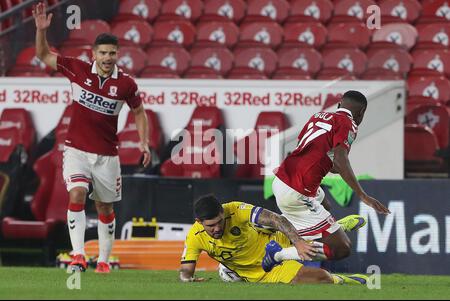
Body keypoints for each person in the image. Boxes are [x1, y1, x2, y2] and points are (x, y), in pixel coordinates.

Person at [33, 2, 151, 273]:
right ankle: (77, 255)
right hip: (76, 151)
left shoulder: (126, 84)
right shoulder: (77, 69)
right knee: (76, 194)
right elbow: (43, 55)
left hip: (107, 155)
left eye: (112, 53)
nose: (108, 57)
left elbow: (139, 112)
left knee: (104, 206)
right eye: (103, 53)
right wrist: (41, 31)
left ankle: (104, 261)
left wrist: (144, 142)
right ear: (94, 54)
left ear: (117, 54)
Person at [265, 90, 390, 271]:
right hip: (298, 191)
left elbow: (309, 150)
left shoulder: (318, 116)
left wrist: (335, 167)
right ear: (361, 113)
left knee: (326, 205)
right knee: (341, 249)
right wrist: (362, 195)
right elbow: (340, 159)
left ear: (339, 104)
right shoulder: (349, 124)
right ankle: (277, 254)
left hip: (282, 179)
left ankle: (328, 227)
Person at [179, 194, 367, 285]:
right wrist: (189, 280)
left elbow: (277, 220)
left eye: (220, 222)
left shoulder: (235, 209)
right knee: (318, 279)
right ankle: (344, 280)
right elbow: (186, 272)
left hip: (274, 242)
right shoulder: (194, 237)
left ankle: (335, 228)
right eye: (211, 226)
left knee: (278, 226)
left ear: (223, 211)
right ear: (199, 222)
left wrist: (298, 242)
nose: (217, 228)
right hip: (264, 273)